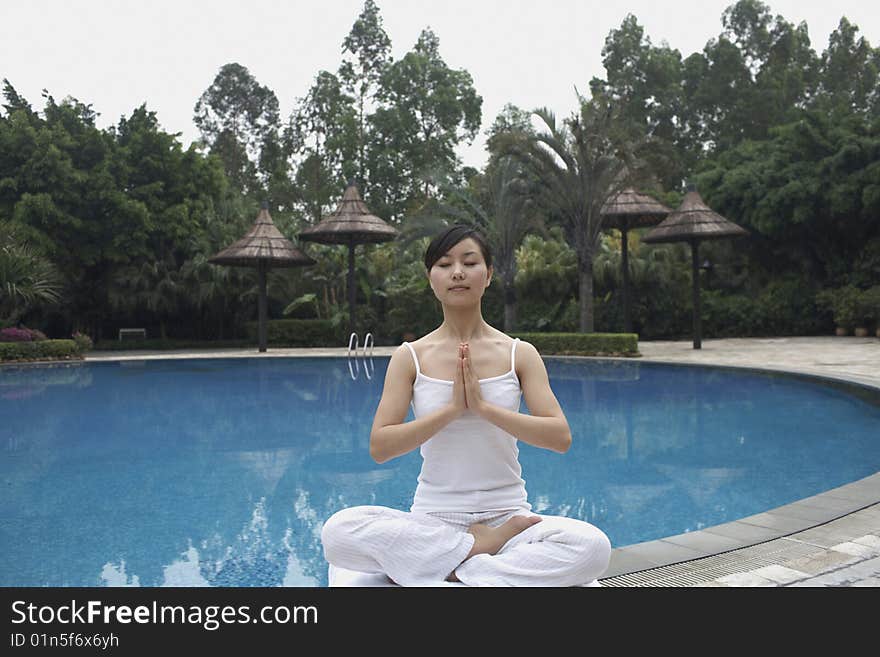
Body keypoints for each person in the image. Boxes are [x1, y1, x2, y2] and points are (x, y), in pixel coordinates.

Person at [320, 224, 611, 586]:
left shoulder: (519, 354)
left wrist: (486, 409)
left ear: (488, 275)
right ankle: (475, 555)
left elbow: (559, 436)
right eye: (444, 264)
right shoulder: (410, 357)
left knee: (592, 547)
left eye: (469, 262)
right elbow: (381, 447)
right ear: (431, 278)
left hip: (509, 519)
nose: (457, 272)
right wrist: (451, 410)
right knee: (338, 532)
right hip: (433, 521)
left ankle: (456, 569)